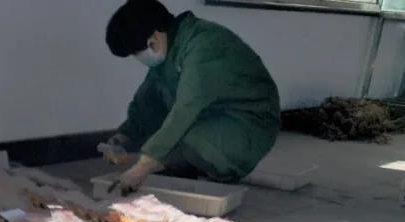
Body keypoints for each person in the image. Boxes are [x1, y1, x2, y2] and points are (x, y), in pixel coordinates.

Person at [100, 0, 280, 194]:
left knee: (178, 144)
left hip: (249, 123)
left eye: (137, 52)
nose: (139, 58)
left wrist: (144, 166)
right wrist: (123, 137)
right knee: (161, 130)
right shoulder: (170, 50)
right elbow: (145, 102)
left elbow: (186, 108)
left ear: (154, 38)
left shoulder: (205, 45)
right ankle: (188, 165)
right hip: (212, 116)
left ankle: (214, 172)